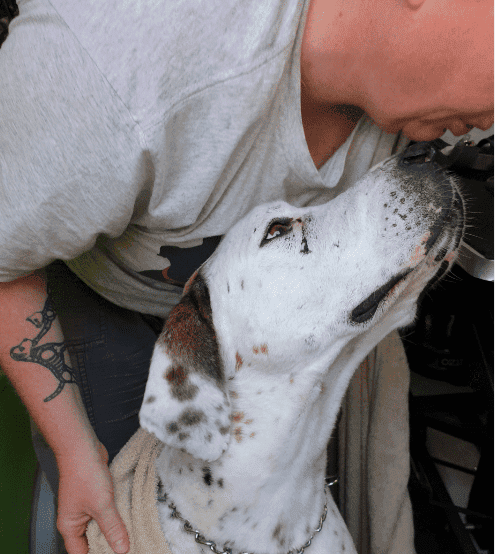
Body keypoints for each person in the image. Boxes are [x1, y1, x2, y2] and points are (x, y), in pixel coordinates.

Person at [0, 0, 492, 553]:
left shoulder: (428, 98)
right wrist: (75, 452)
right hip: (96, 295)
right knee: (107, 518)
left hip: (264, 312)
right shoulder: (112, 68)